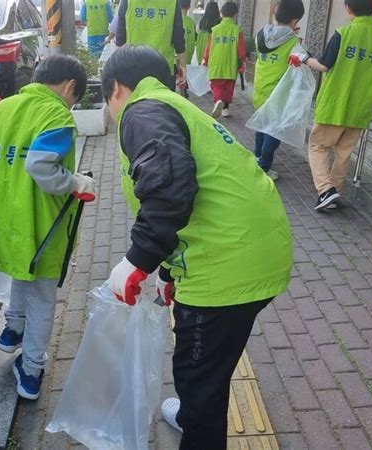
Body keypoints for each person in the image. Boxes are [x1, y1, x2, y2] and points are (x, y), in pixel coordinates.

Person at [101, 44, 293, 450]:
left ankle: (198, 420)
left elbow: (171, 186)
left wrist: (138, 259)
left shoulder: (142, 111)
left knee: (198, 373)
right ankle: (191, 413)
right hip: (249, 250)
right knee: (209, 364)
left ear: (117, 87)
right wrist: (169, 270)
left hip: (226, 265)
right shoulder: (171, 105)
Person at [0, 56, 96, 400]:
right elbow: (41, 167)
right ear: (70, 87)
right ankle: (31, 371)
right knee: (44, 298)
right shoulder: (56, 114)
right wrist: (76, 182)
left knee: (20, 272)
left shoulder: (3, 108)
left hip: (7, 219)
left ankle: (12, 330)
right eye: (75, 99)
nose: (71, 105)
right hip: (41, 225)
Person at [290, 0, 372, 211]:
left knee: (317, 147)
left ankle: (326, 190)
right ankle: (334, 193)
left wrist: (304, 57)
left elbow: (324, 65)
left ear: (348, 7)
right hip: (360, 108)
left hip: (335, 104)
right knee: (344, 154)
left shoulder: (343, 33)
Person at [253, 0, 305, 181]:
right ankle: (264, 166)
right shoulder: (292, 42)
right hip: (277, 95)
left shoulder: (261, 34)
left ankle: (257, 157)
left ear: (276, 12)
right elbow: (299, 66)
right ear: (295, 20)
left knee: (261, 126)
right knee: (274, 133)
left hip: (260, 89)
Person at [115, 0, 186, 89]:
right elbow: (178, 38)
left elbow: (120, 38)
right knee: (161, 101)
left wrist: (117, 67)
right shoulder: (172, 2)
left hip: (133, 67)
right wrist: (183, 67)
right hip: (163, 67)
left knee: (137, 101)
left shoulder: (128, 1)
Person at [203, 1, 246, 118]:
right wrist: (242, 62)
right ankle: (226, 109)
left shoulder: (215, 29)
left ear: (221, 14)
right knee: (228, 87)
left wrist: (205, 60)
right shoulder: (238, 30)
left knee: (216, 85)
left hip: (216, 63)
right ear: (235, 15)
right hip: (231, 64)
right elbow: (241, 50)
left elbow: (208, 47)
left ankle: (218, 101)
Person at [180, 0, 196, 97]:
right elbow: (193, 38)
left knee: (176, 71)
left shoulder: (175, 19)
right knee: (183, 71)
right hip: (188, 51)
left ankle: (179, 90)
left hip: (175, 52)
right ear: (189, 7)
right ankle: (184, 89)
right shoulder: (191, 22)